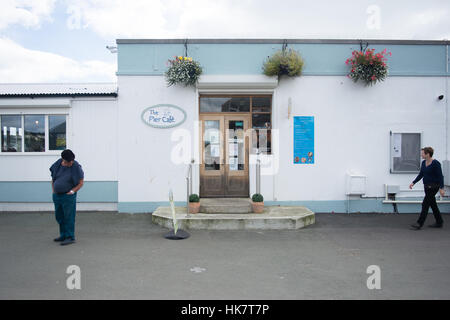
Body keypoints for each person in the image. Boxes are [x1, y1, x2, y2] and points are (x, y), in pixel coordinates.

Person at [49, 149, 84, 245]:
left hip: (68, 196)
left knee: (69, 217)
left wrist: (72, 191)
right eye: (69, 162)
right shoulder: (57, 165)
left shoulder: (76, 167)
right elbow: (53, 178)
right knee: (59, 216)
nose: (71, 163)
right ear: (63, 160)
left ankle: (70, 237)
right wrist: (54, 190)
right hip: (57, 195)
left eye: (72, 161)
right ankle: (63, 235)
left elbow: (81, 182)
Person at [409, 147, 445, 230]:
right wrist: (413, 182)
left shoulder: (436, 163)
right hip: (426, 187)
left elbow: (440, 176)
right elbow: (421, 174)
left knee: (425, 204)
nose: (421, 155)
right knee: (433, 204)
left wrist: (441, 188)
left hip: (434, 187)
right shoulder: (423, 163)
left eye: (422, 153)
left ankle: (419, 223)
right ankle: (439, 221)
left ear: (427, 154)